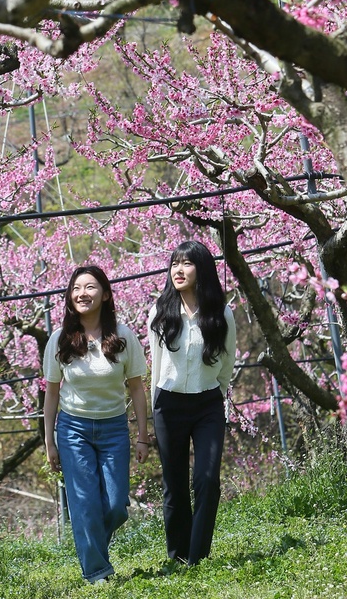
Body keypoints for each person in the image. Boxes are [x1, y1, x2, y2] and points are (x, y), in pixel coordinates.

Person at [43, 264, 149, 585]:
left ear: (105, 294)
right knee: (84, 502)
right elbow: (51, 393)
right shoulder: (60, 340)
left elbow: (137, 388)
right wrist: (49, 441)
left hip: (114, 428)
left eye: (90, 287)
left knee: (116, 506)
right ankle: (97, 572)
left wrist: (142, 435)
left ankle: (91, 547)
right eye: (76, 289)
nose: (82, 294)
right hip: (73, 429)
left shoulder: (124, 337)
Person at [148, 239, 237, 568]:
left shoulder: (221, 313)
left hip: (207, 406)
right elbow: (156, 364)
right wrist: (156, 402)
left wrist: (215, 394)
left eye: (186, 263)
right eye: (174, 264)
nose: (178, 270)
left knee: (207, 478)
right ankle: (178, 555)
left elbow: (227, 363)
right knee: (174, 485)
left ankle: (196, 557)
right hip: (168, 404)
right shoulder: (160, 310)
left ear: (203, 269)